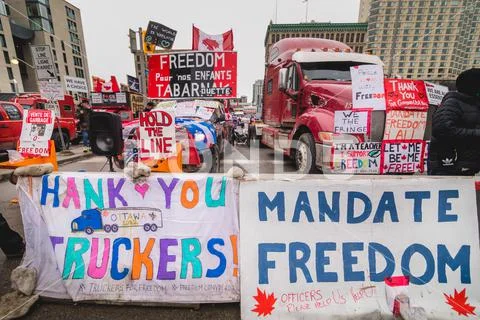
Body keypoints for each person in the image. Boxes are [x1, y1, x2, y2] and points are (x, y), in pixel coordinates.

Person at [428, 68, 480, 176]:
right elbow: (443, 129)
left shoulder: (473, 104)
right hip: (448, 166)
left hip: (466, 166)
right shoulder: (452, 103)